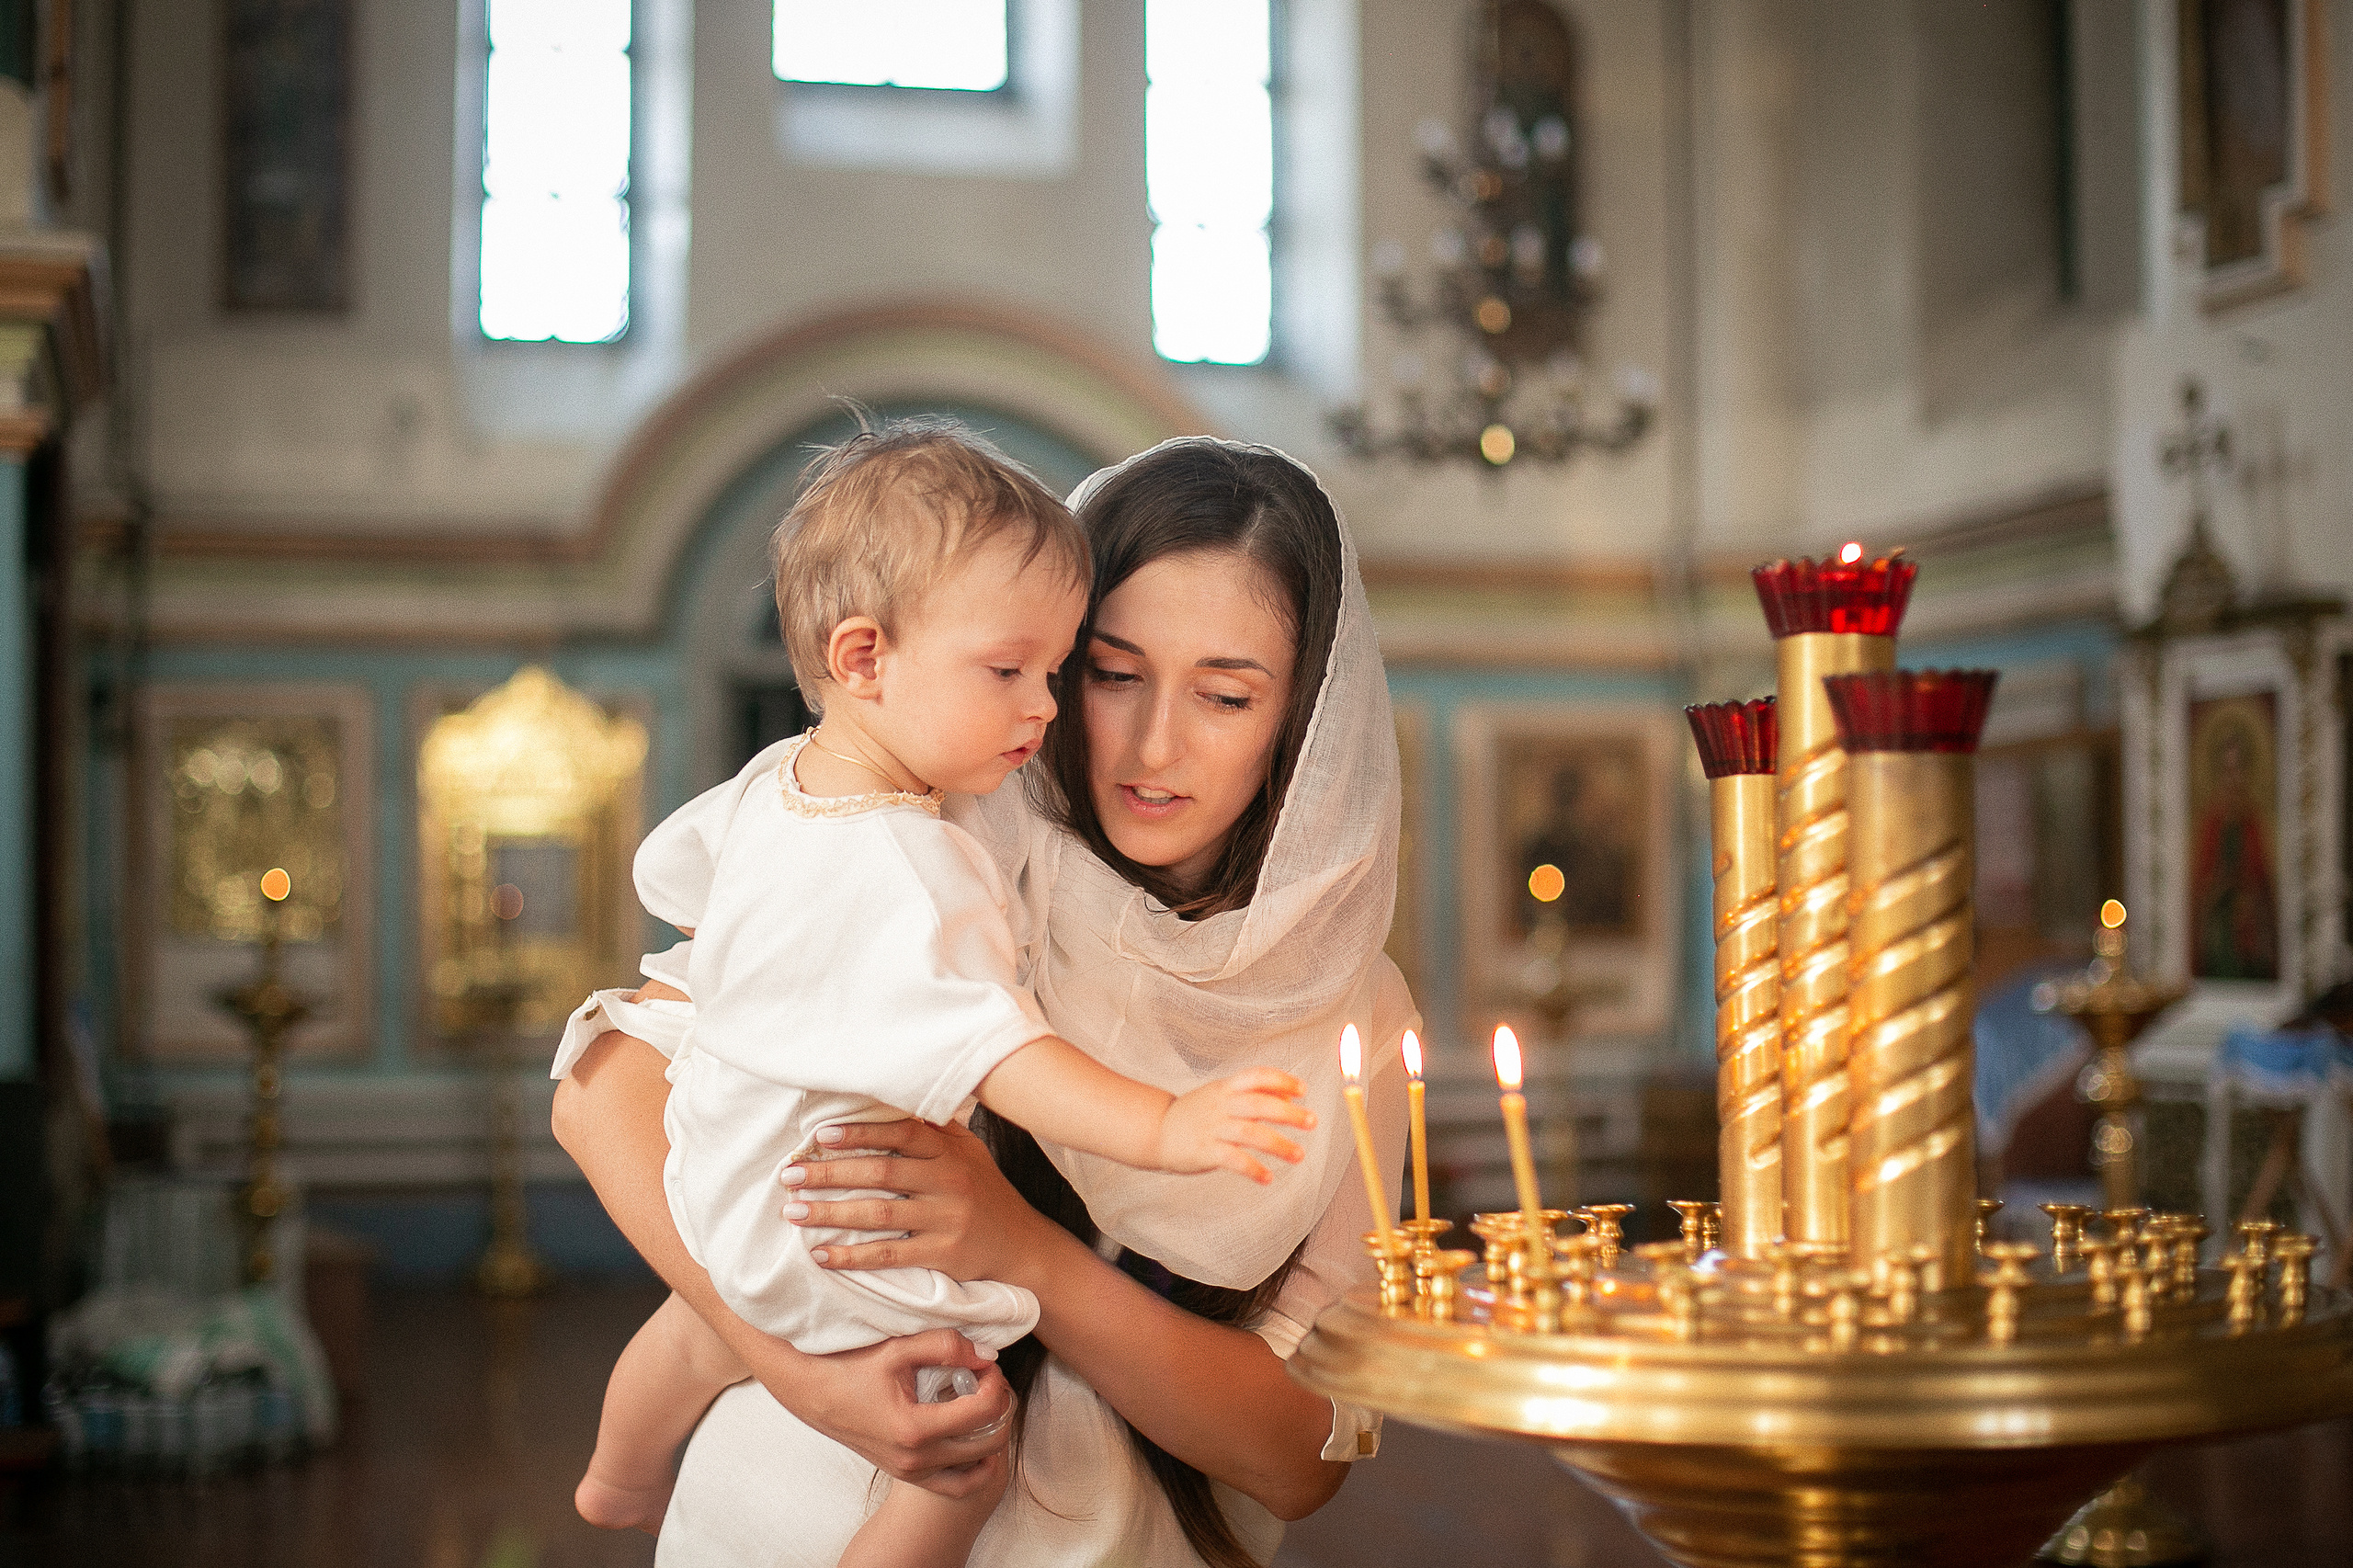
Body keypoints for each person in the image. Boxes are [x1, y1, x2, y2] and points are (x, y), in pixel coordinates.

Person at [554, 437, 1414, 1567]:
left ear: (1301, 720)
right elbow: (603, 1084)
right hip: (789, 1494)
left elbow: (1304, 1457)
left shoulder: (1354, 1007)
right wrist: (798, 1370)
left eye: (1224, 694)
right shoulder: (926, 832)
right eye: (1111, 674)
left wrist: (1026, 1253)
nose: (1154, 743)